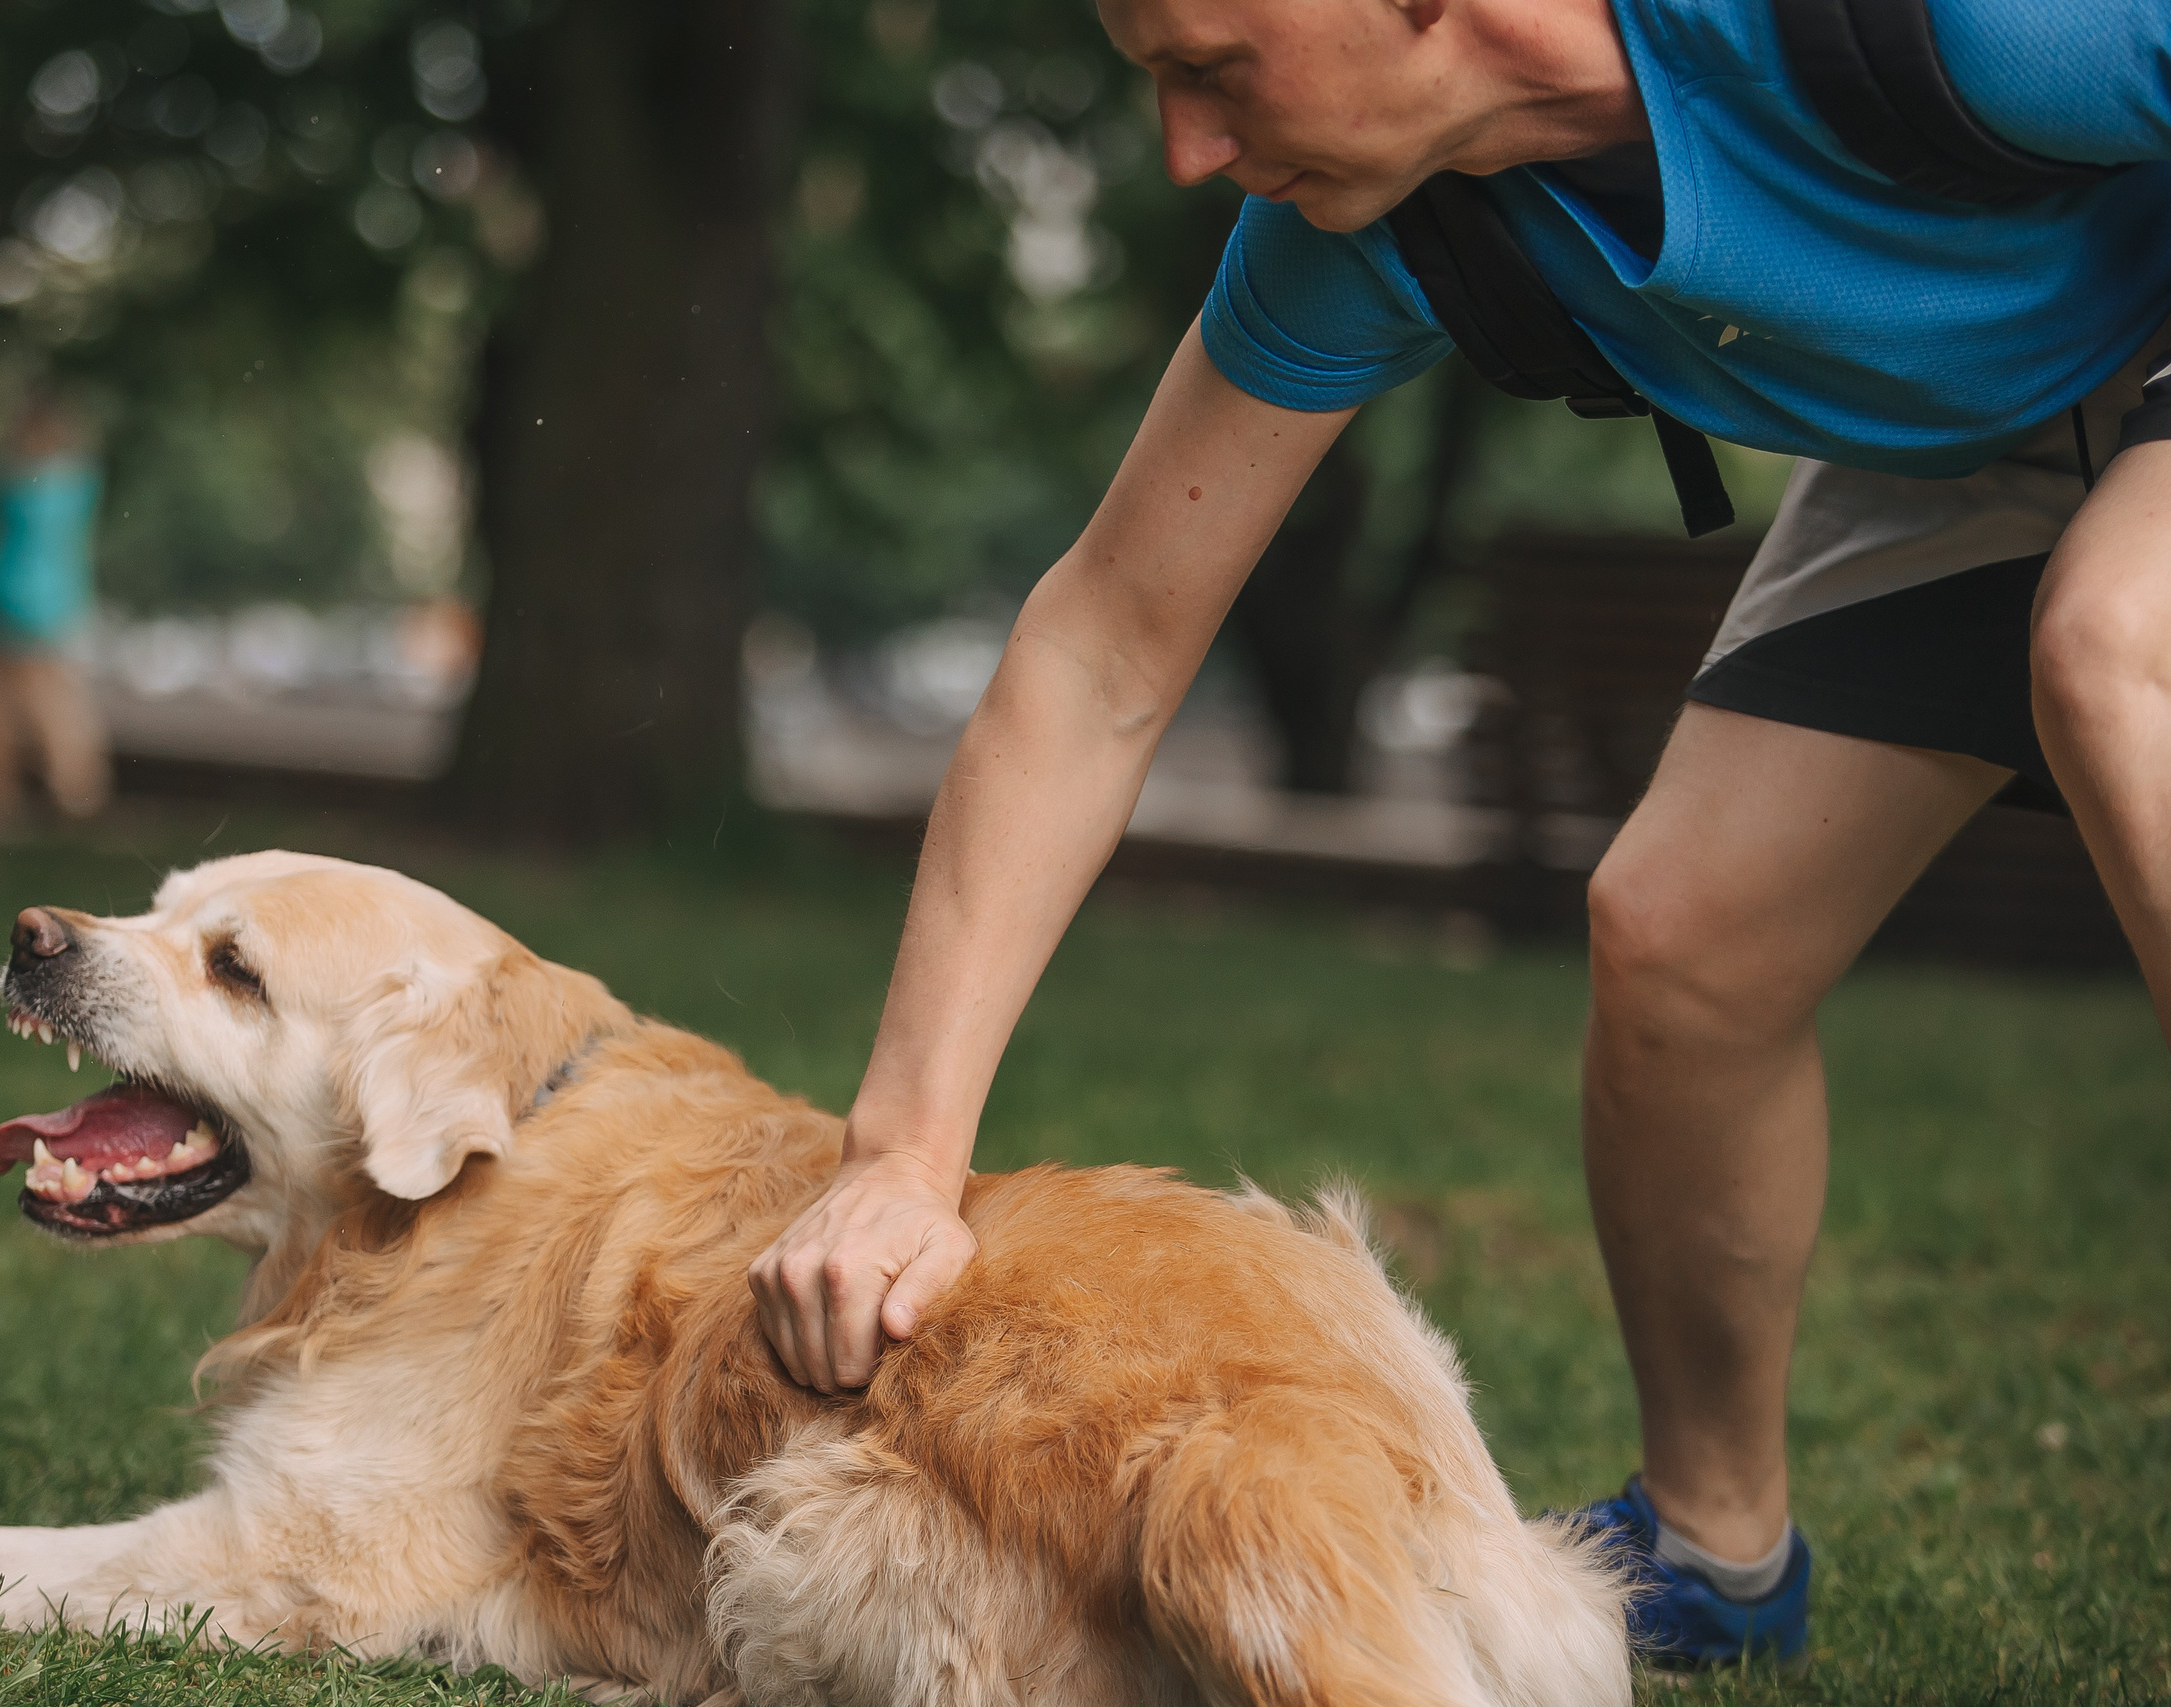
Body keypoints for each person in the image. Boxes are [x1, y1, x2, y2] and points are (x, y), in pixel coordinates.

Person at [747, 0, 2171, 1671]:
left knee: (2118, 643)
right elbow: (1100, 654)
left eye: (1213, 70)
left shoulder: (1988, 28)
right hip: (1981, 433)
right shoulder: (1369, 237)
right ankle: (1716, 1549)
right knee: (1681, 932)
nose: (1188, 151)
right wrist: (902, 1157)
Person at [0, 387, 111, 827]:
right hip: (58, 608)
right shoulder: (79, 486)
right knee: (58, 710)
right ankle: (75, 794)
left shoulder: (12, 483)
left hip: (9, 604)